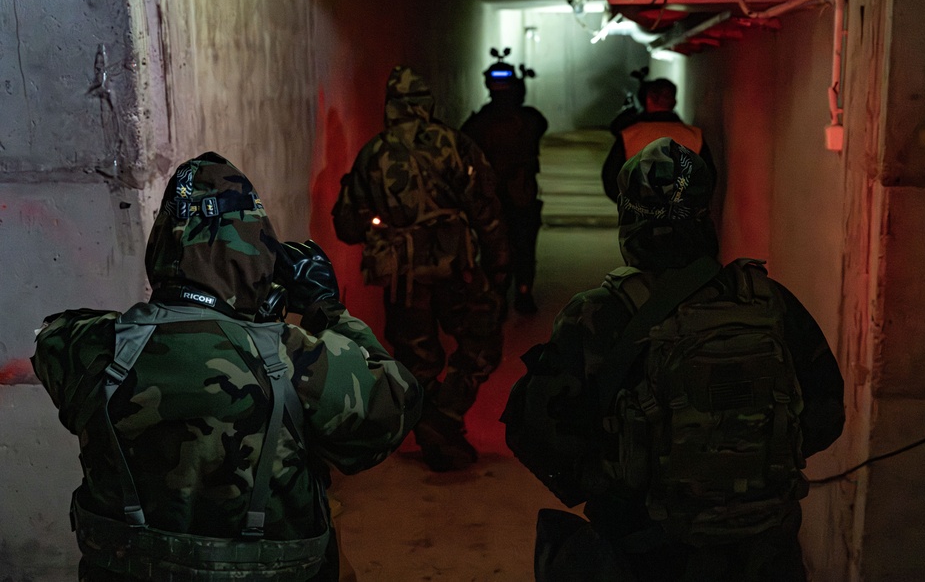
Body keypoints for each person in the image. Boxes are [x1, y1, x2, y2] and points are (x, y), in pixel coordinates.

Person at [31, 152, 422, 581]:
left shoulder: (85, 348)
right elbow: (397, 401)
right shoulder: (295, 360)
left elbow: (54, 335)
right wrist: (326, 308)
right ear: (256, 250)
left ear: (161, 242)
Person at [503, 138, 845, 581]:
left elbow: (538, 435)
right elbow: (826, 414)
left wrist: (625, 476)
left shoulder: (596, 315)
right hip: (765, 551)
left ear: (627, 216)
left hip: (647, 553)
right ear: (706, 213)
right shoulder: (768, 301)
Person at [333, 65, 510, 472]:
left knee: (417, 359)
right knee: (481, 342)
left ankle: (433, 424)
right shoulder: (454, 145)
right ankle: (445, 419)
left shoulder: (373, 153)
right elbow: (486, 208)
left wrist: (383, 221)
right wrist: (499, 261)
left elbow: (346, 224)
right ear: (427, 103)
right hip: (457, 268)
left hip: (404, 277)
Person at [461, 50, 549, 315]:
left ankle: (497, 295)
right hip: (522, 195)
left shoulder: (476, 124)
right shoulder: (531, 119)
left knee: (494, 248)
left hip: (490, 198)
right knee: (524, 247)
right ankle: (523, 292)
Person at [602, 77, 716, 202]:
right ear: (673, 101)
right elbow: (708, 178)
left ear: (648, 99)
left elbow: (610, 177)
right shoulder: (694, 135)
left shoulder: (629, 135)